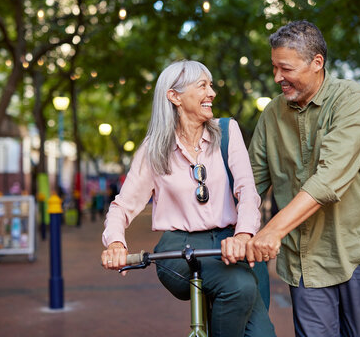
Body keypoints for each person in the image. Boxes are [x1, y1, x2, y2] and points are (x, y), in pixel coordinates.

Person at [246, 20, 360, 337]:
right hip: (305, 257)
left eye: (285, 68)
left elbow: (329, 180)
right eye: (274, 67)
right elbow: (249, 185)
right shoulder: (272, 114)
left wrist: (272, 230)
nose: (277, 78)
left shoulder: (352, 101)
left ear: (317, 63)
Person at [101, 60, 275, 337]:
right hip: (180, 247)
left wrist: (243, 236)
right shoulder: (153, 149)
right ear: (175, 96)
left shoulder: (228, 132)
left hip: (229, 242)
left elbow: (247, 193)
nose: (212, 93)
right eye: (202, 86)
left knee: (262, 333)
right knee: (239, 288)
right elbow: (122, 206)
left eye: (211, 85)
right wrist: (116, 243)